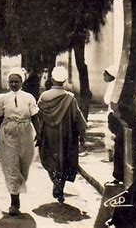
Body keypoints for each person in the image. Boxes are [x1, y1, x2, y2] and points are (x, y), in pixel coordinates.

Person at [0, 67, 40, 216]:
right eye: (11, 82)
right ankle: (14, 202)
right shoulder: (4, 99)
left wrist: (40, 134)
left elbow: (35, 117)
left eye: (16, 81)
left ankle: (16, 191)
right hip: (8, 133)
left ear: (21, 82)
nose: (14, 84)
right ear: (8, 83)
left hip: (25, 133)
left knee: (24, 167)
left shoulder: (29, 97)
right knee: (11, 166)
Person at [37, 66, 87, 203]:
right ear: (64, 80)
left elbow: (38, 116)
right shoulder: (70, 98)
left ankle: (55, 181)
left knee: (50, 159)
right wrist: (82, 134)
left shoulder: (44, 97)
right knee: (64, 160)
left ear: (52, 79)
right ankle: (60, 186)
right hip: (66, 135)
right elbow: (77, 117)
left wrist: (38, 134)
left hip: (48, 134)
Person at [103, 65, 124, 184]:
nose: (104, 77)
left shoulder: (113, 85)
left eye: (106, 75)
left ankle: (118, 174)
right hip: (115, 115)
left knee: (118, 144)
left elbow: (108, 100)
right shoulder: (117, 84)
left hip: (115, 116)